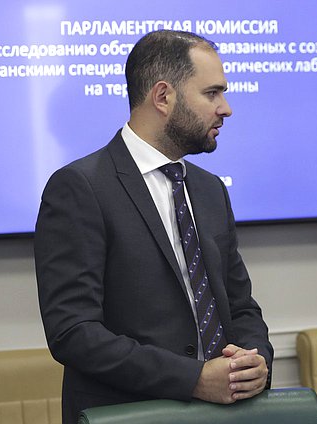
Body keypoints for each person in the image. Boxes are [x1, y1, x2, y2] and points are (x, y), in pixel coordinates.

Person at [35, 30, 273, 424]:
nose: (226, 108)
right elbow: (73, 332)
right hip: (131, 412)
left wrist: (257, 360)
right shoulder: (80, 187)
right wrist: (192, 378)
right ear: (163, 97)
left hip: (227, 415)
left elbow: (240, 305)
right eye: (212, 93)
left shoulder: (209, 188)